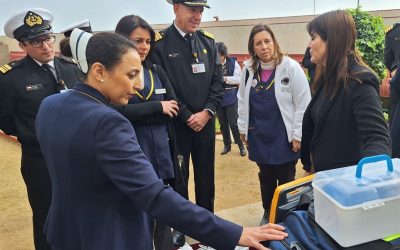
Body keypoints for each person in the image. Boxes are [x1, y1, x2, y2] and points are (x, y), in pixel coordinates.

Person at [35, 29, 288, 250]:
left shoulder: (50, 105)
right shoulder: (108, 123)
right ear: (99, 71)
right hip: (109, 238)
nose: (138, 85)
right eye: (131, 74)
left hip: (64, 233)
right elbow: (154, 196)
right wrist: (235, 233)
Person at [0, 8, 79, 250]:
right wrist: (34, 135)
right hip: (40, 160)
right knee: (46, 217)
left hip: (78, 157)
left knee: (80, 212)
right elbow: (5, 120)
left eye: (48, 38)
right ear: (23, 45)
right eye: (37, 41)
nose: (46, 46)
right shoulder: (11, 78)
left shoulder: (72, 68)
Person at [151, 0, 224, 247]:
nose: (198, 15)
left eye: (201, 10)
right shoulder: (159, 45)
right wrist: (186, 115)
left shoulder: (208, 42)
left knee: (206, 179)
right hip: (177, 126)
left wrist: (207, 112)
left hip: (204, 124)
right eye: (193, 9)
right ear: (176, 8)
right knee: (179, 181)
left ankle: (208, 226)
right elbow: (163, 87)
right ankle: (181, 228)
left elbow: (218, 82)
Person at [115, 14, 178, 250]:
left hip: (161, 151)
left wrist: (141, 111)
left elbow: (173, 104)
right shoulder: (114, 75)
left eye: (148, 41)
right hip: (132, 151)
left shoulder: (156, 72)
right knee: (134, 214)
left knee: (163, 211)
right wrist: (156, 108)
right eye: (137, 40)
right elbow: (115, 112)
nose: (143, 47)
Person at [237, 24, 311, 226]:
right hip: (258, 133)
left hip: (283, 135)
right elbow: (242, 101)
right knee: (265, 176)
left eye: (267, 41)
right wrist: (243, 130)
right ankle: (268, 211)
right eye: (258, 43)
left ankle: (286, 215)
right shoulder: (248, 70)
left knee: (286, 176)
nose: (264, 47)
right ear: (253, 48)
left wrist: (298, 135)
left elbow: (303, 103)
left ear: (274, 42)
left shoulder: (291, 67)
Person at [301, 10, 391, 174]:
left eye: (313, 38)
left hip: (346, 188)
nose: (309, 45)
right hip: (325, 179)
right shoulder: (326, 77)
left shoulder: (360, 80)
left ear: (332, 41)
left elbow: (377, 138)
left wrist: (365, 181)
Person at [216, 41, 246, 157]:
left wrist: (225, 79)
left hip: (231, 96)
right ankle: (227, 145)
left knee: (233, 123)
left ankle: (240, 145)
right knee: (223, 124)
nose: (217, 57)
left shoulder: (233, 62)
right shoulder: (213, 64)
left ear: (223, 54)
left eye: (219, 55)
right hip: (218, 97)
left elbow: (239, 79)